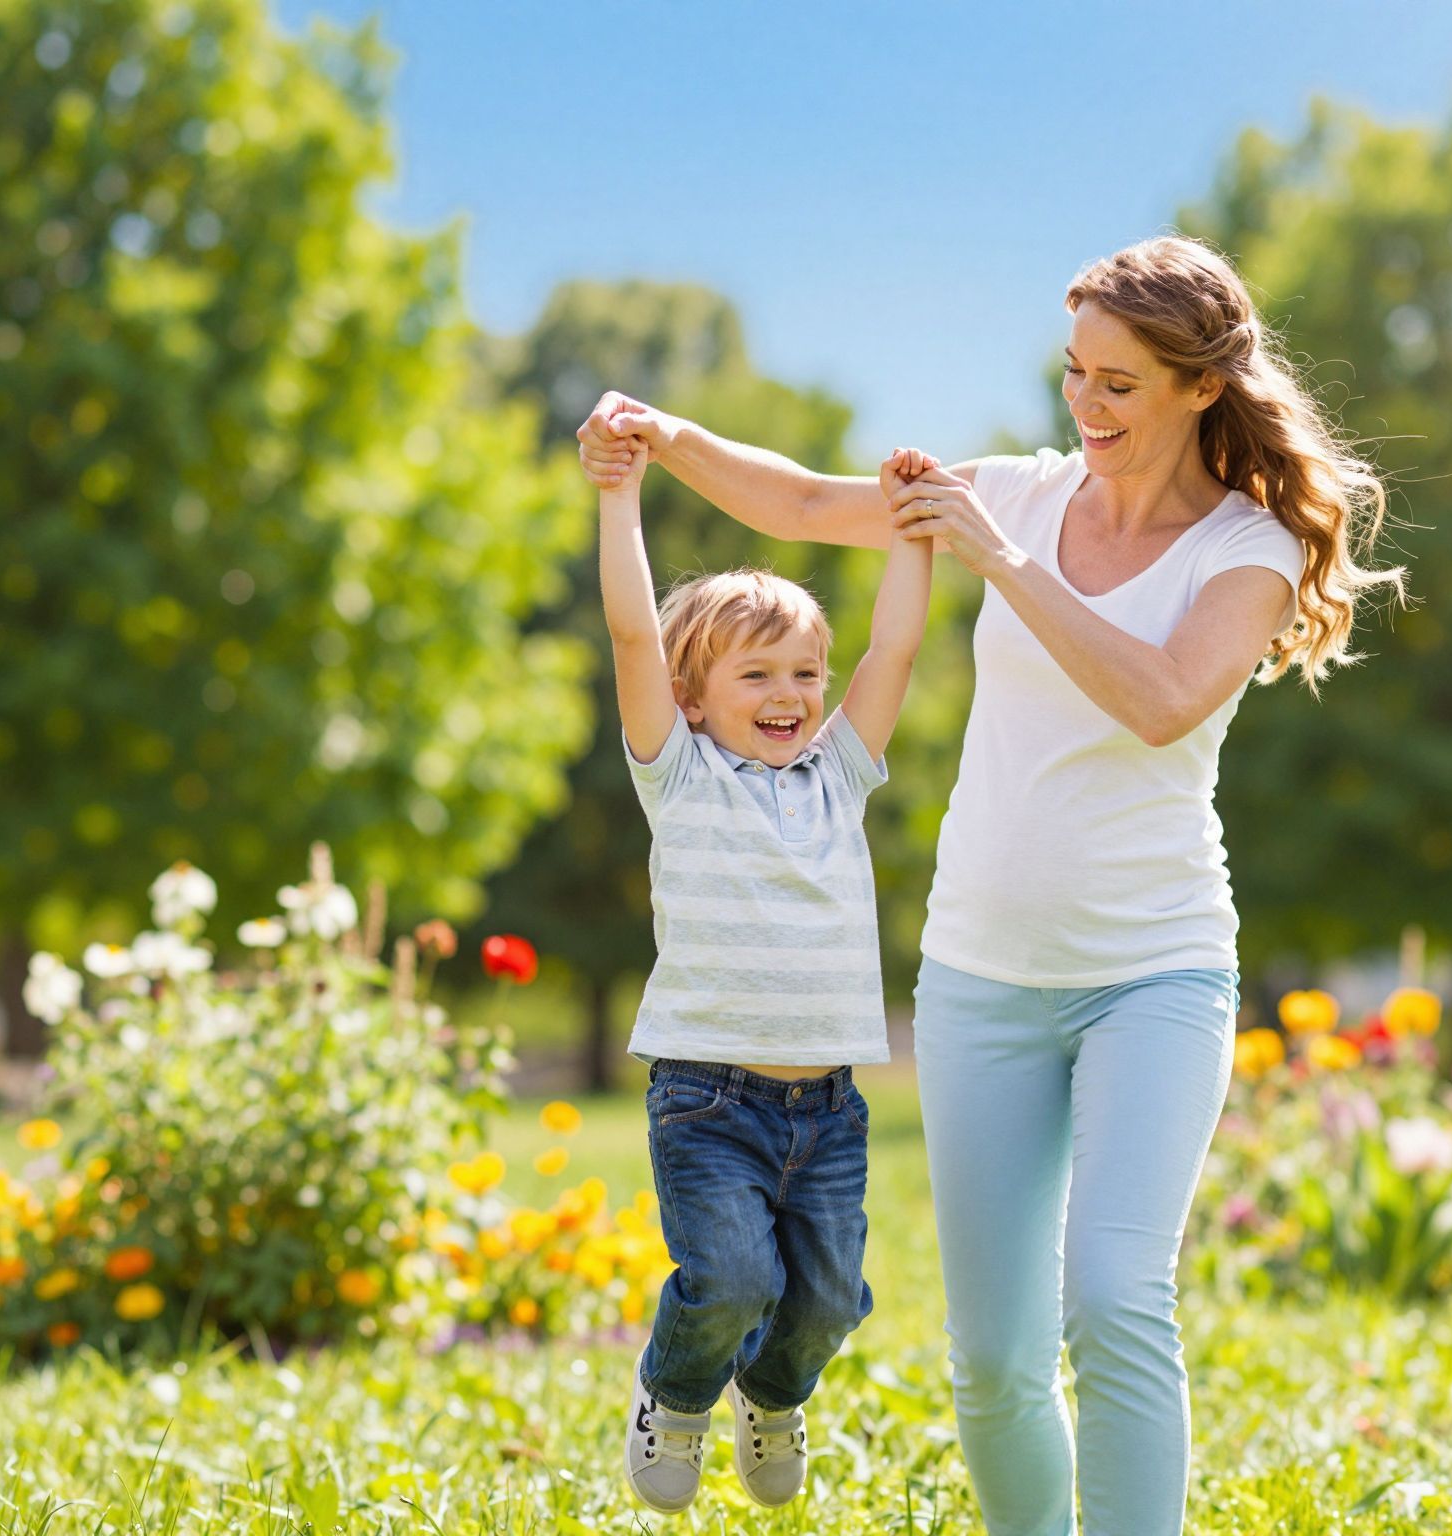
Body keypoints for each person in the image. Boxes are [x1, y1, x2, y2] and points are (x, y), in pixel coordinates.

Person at [580, 234, 1400, 1535]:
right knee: (997, 1358)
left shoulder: (1248, 549)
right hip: (980, 976)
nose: (1086, 406)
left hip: (1156, 972)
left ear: (1200, 388)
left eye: (1120, 383)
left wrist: (1003, 560)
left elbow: (1161, 698)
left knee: (1119, 1298)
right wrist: (671, 436)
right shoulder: (1019, 490)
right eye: (1074, 373)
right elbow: (802, 506)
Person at [597, 425, 937, 1514]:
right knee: (732, 1281)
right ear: (695, 697)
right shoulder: (680, 773)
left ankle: (775, 1395)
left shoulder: (838, 774)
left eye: (803, 671)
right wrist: (619, 494)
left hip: (828, 1107)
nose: (790, 692)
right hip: (706, 1098)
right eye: (758, 674)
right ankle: (676, 1394)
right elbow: (630, 640)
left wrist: (910, 527)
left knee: (829, 1300)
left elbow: (892, 655)